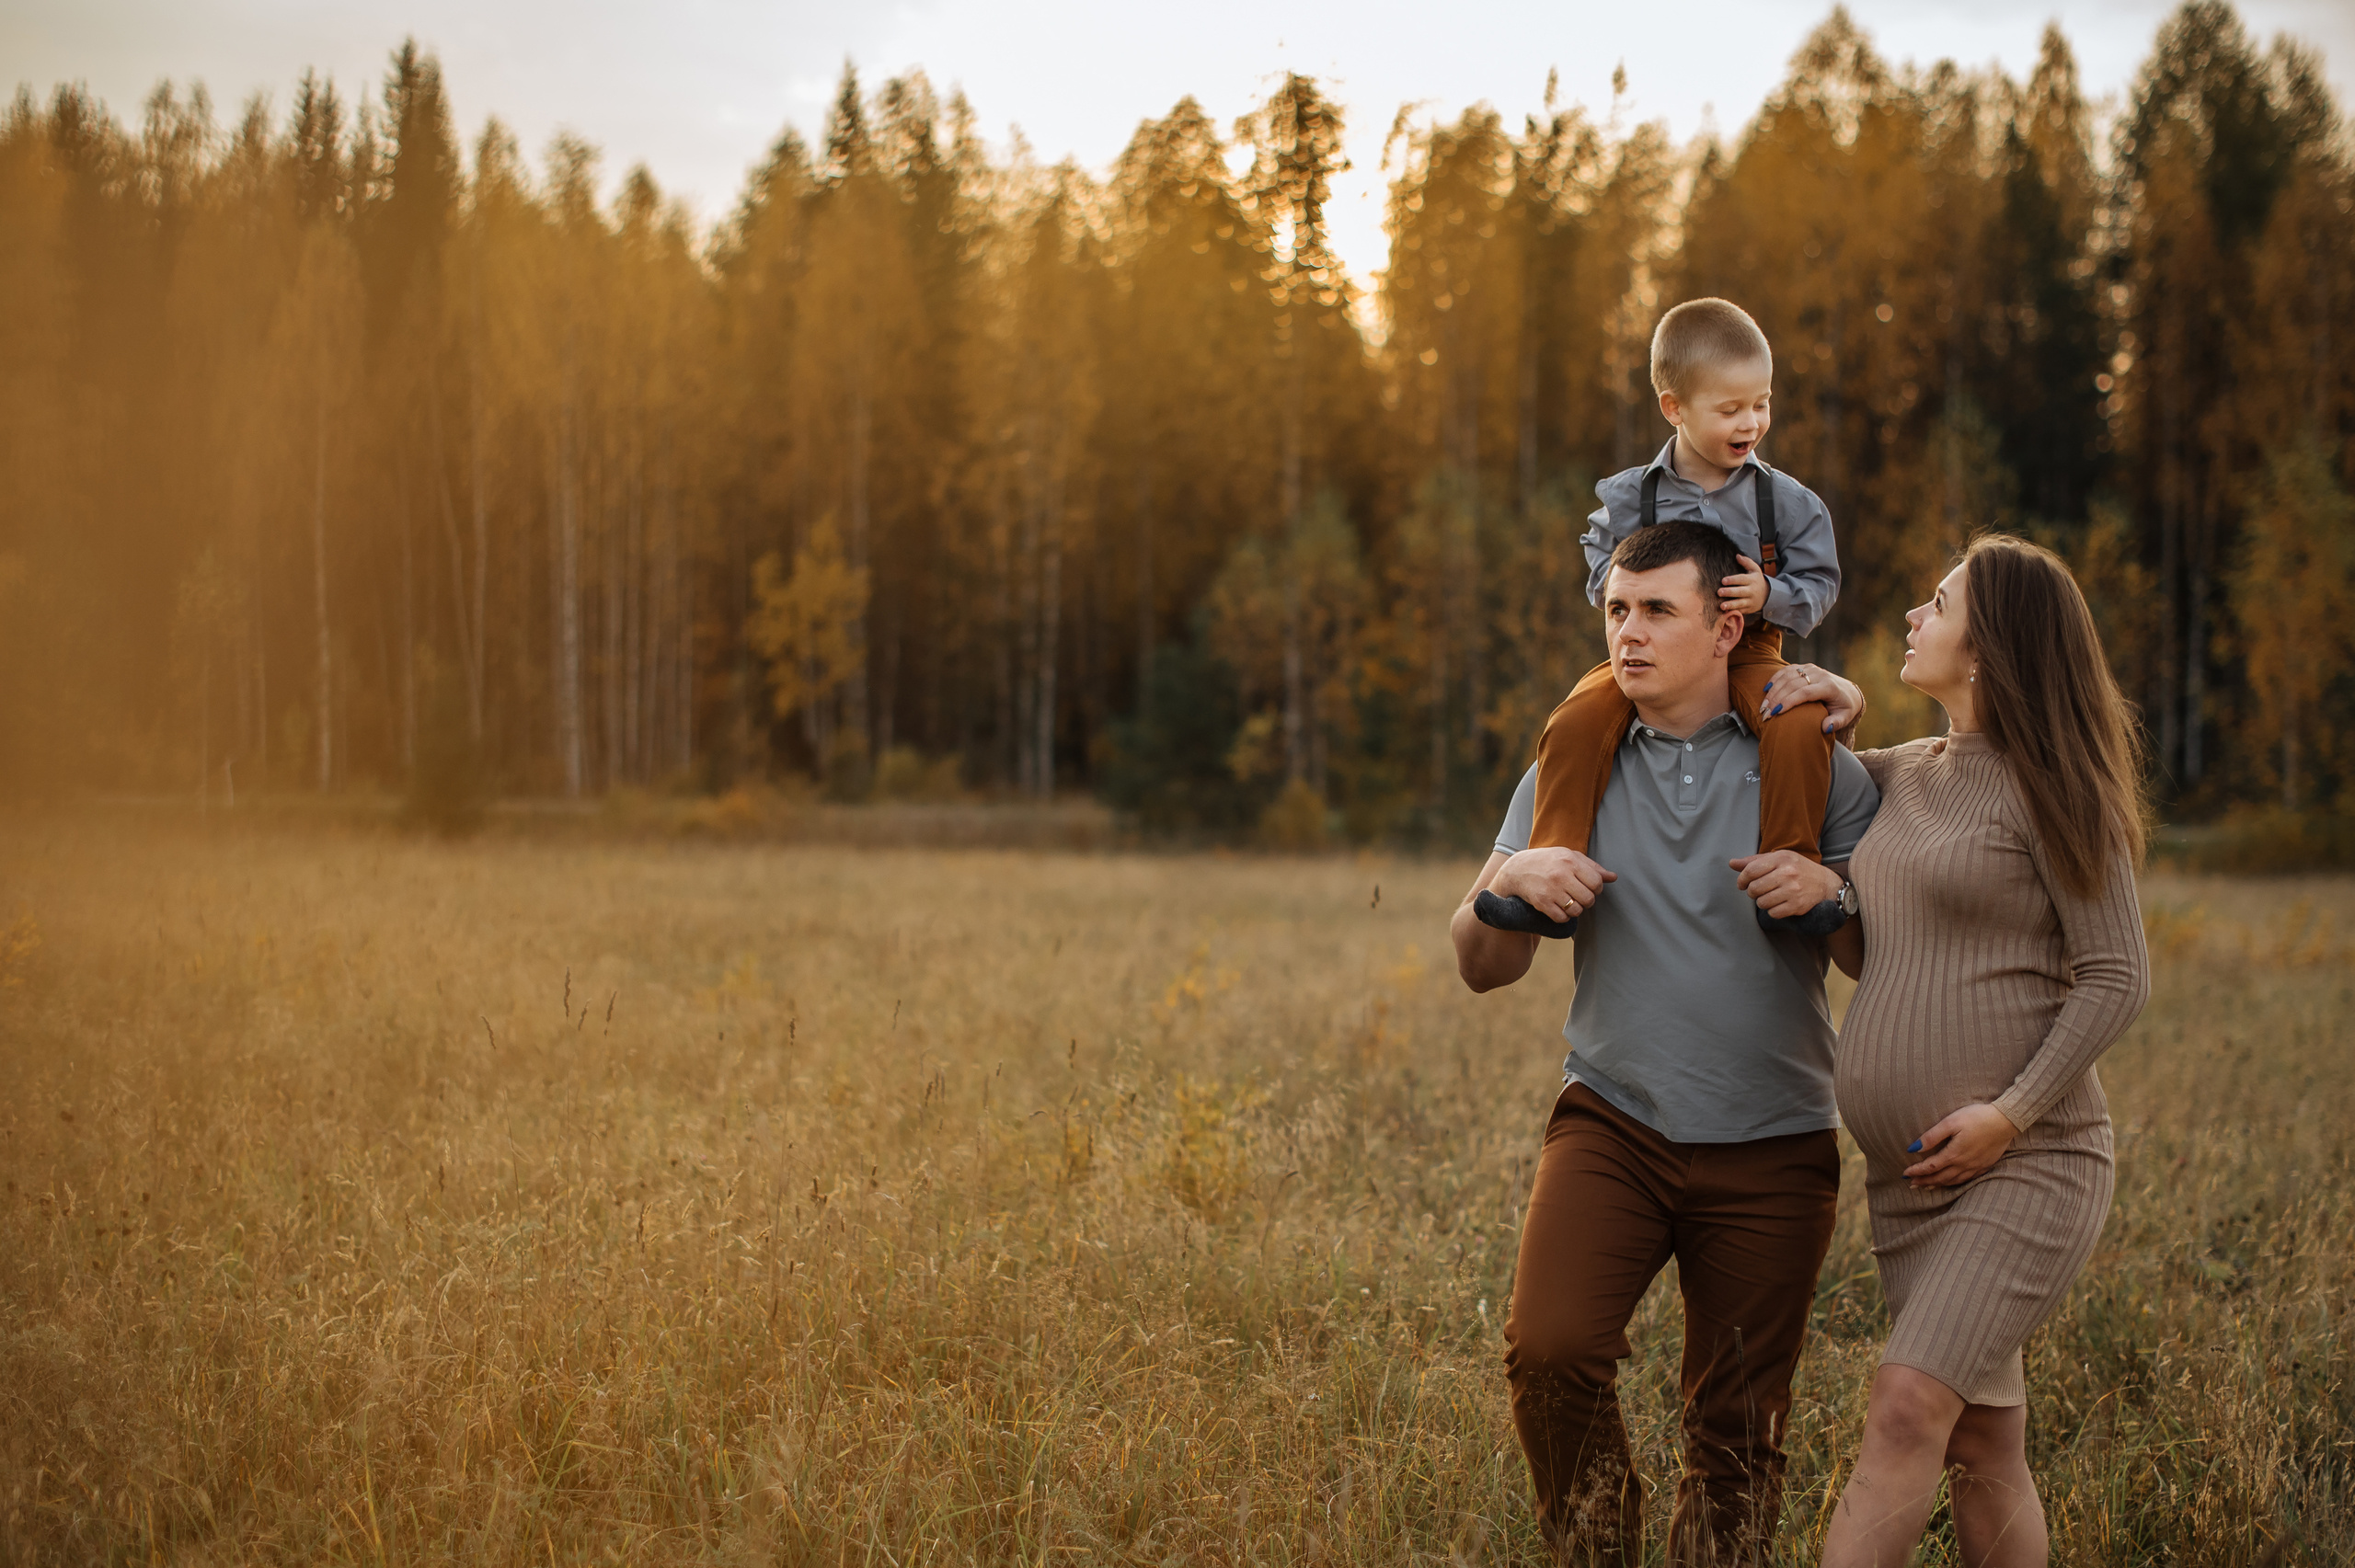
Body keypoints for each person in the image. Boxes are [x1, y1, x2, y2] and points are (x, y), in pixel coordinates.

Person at [1452, 519, 1878, 1564]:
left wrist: (1836, 897)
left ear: (1728, 624)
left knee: (1736, 1433)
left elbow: (1883, 958)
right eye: (1615, 611)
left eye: (1656, 611)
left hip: (1774, 1144)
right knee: (1548, 1353)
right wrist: (1507, 889)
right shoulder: (1573, 759)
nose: (1626, 635)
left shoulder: (1815, 763)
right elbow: (1477, 962)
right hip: (1613, 1121)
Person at [1763, 535, 2150, 1567]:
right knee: (1984, 1442)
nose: (1911, 617)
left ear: (1988, 649)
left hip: (2028, 1160)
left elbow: (2116, 974)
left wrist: (2010, 1114)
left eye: (1936, 604)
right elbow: (1806, 769)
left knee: (1902, 1409)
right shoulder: (1902, 776)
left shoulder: (2054, 787)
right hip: (1910, 1178)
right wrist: (1825, 695)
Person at [1481, 298, 1846, 943]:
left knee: (1798, 724)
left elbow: (1820, 584)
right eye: (1730, 409)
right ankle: (1551, 864)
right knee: (1574, 720)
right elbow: (1599, 559)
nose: (1752, 422)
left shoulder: (1785, 502)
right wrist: (1622, 600)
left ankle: (1790, 871)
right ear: (1674, 408)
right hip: (1650, 647)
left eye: (1761, 402)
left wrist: (1770, 595)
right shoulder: (1632, 495)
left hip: (1751, 647)